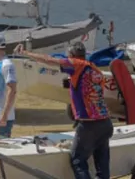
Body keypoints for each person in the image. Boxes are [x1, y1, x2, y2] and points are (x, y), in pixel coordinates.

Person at [16, 41, 112, 179]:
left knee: (77, 160)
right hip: (105, 122)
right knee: (102, 165)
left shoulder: (76, 65)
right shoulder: (94, 69)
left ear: (72, 56)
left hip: (89, 123)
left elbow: (49, 60)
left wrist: (25, 53)